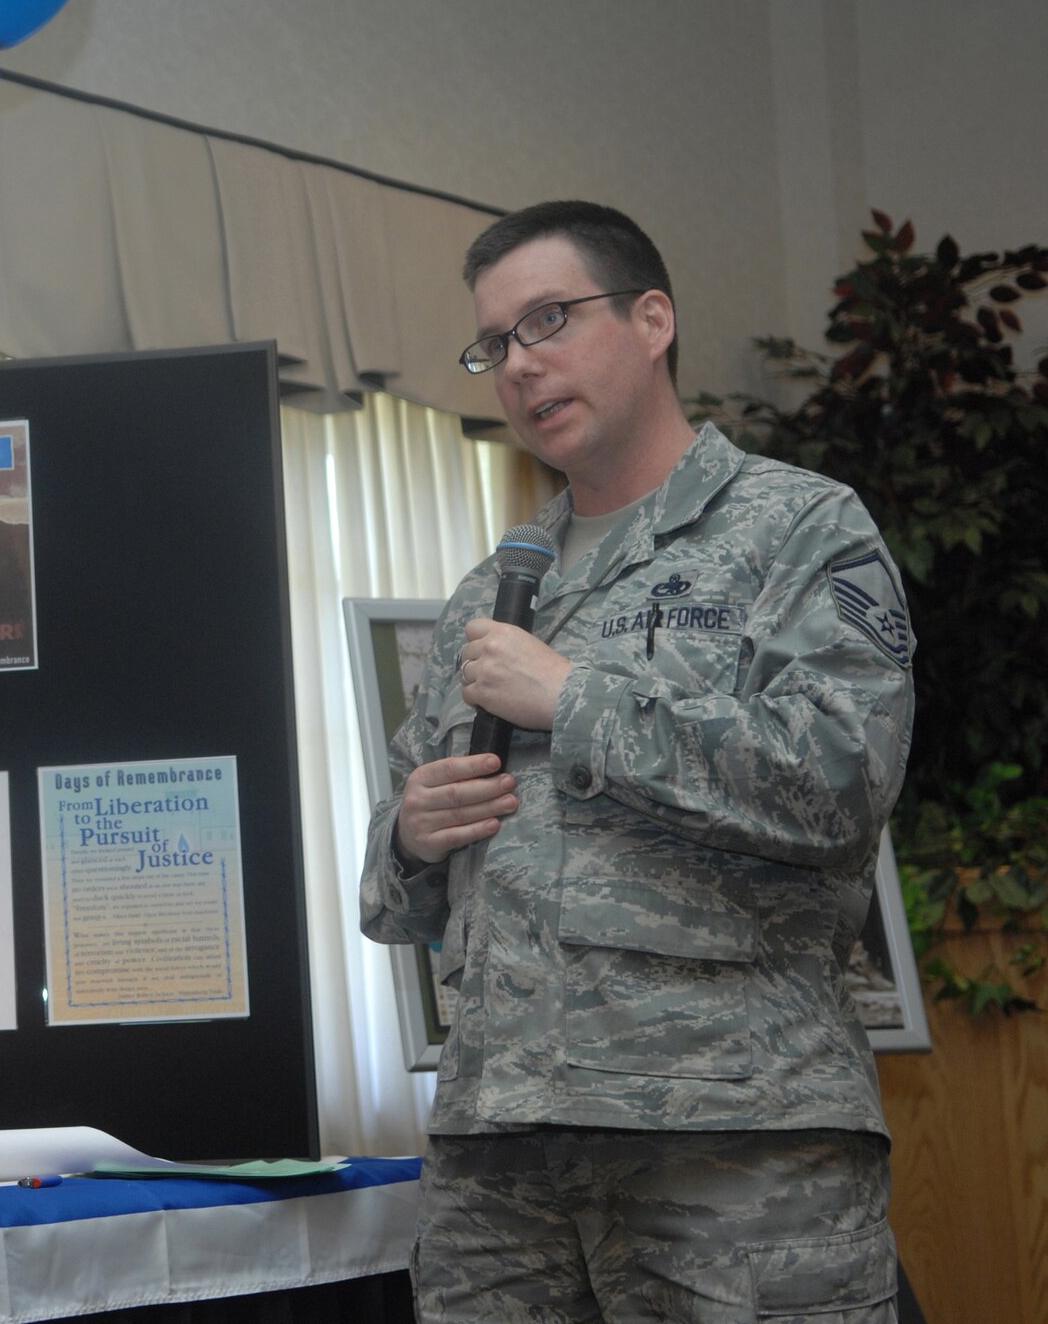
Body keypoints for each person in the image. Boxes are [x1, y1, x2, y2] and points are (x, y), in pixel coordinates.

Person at [359, 200, 913, 1321]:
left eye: (548, 320)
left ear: (651, 318)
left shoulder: (798, 528)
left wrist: (572, 699)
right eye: (494, 344)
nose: (518, 365)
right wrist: (411, 835)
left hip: (729, 1134)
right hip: (500, 1145)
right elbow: (396, 899)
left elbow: (842, 778)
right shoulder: (490, 587)